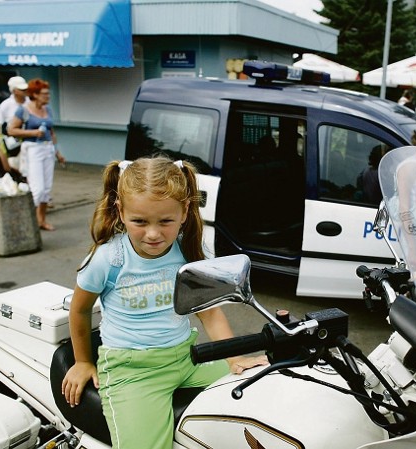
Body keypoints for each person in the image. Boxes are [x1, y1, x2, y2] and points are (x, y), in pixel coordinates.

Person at [61, 156, 267, 449]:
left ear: (184, 212)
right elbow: (80, 309)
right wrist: (83, 361)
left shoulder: (189, 249)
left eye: (165, 221)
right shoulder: (108, 259)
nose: (154, 234)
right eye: (140, 221)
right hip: (132, 371)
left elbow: (209, 313)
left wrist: (234, 359)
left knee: (266, 387)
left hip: (187, 358)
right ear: (121, 212)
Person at [7, 78, 65, 231]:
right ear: (35, 94)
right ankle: (26, 222)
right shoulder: (23, 110)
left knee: (46, 189)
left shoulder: (48, 109)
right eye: (45, 94)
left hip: (48, 149)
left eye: (48, 93)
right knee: (37, 189)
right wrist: (33, 132)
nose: (48, 96)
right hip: (32, 149)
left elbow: (51, 132)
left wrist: (57, 152)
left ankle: (41, 221)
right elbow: (11, 130)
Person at [0, 76, 28, 178]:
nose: (24, 91)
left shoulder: (30, 102)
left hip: (29, 140)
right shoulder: (5, 105)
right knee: (14, 166)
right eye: (21, 89)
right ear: (14, 91)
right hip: (12, 143)